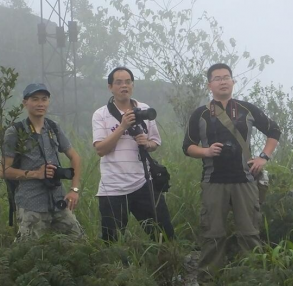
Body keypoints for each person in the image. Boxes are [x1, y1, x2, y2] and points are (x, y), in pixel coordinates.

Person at [183, 63, 281, 272]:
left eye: (226, 77)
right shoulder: (200, 114)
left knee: (250, 234)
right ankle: (209, 285)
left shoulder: (247, 109)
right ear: (210, 84)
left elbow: (274, 130)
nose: (223, 81)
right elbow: (187, 147)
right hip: (213, 181)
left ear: (233, 81)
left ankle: (253, 282)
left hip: (245, 179)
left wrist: (263, 157)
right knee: (213, 236)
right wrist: (206, 151)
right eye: (217, 78)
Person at [92, 67, 175, 242]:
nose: (124, 86)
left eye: (128, 82)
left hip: (143, 183)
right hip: (112, 188)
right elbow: (100, 149)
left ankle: (170, 266)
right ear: (110, 87)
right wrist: (122, 127)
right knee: (112, 242)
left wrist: (147, 143)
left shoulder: (144, 109)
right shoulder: (101, 114)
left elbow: (155, 143)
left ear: (133, 85)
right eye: (119, 82)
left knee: (164, 236)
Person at [0, 83, 83, 239]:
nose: (40, 104)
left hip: (58, 200)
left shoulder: (53, 128)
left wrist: (74, 190)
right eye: (35, 99)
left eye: (44, 99)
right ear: (25, 102)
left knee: (77, 243)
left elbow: (75, 157)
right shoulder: (15, 132)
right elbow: (3, 171)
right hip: (31, 203)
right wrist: (36, 174)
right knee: (29, 253)